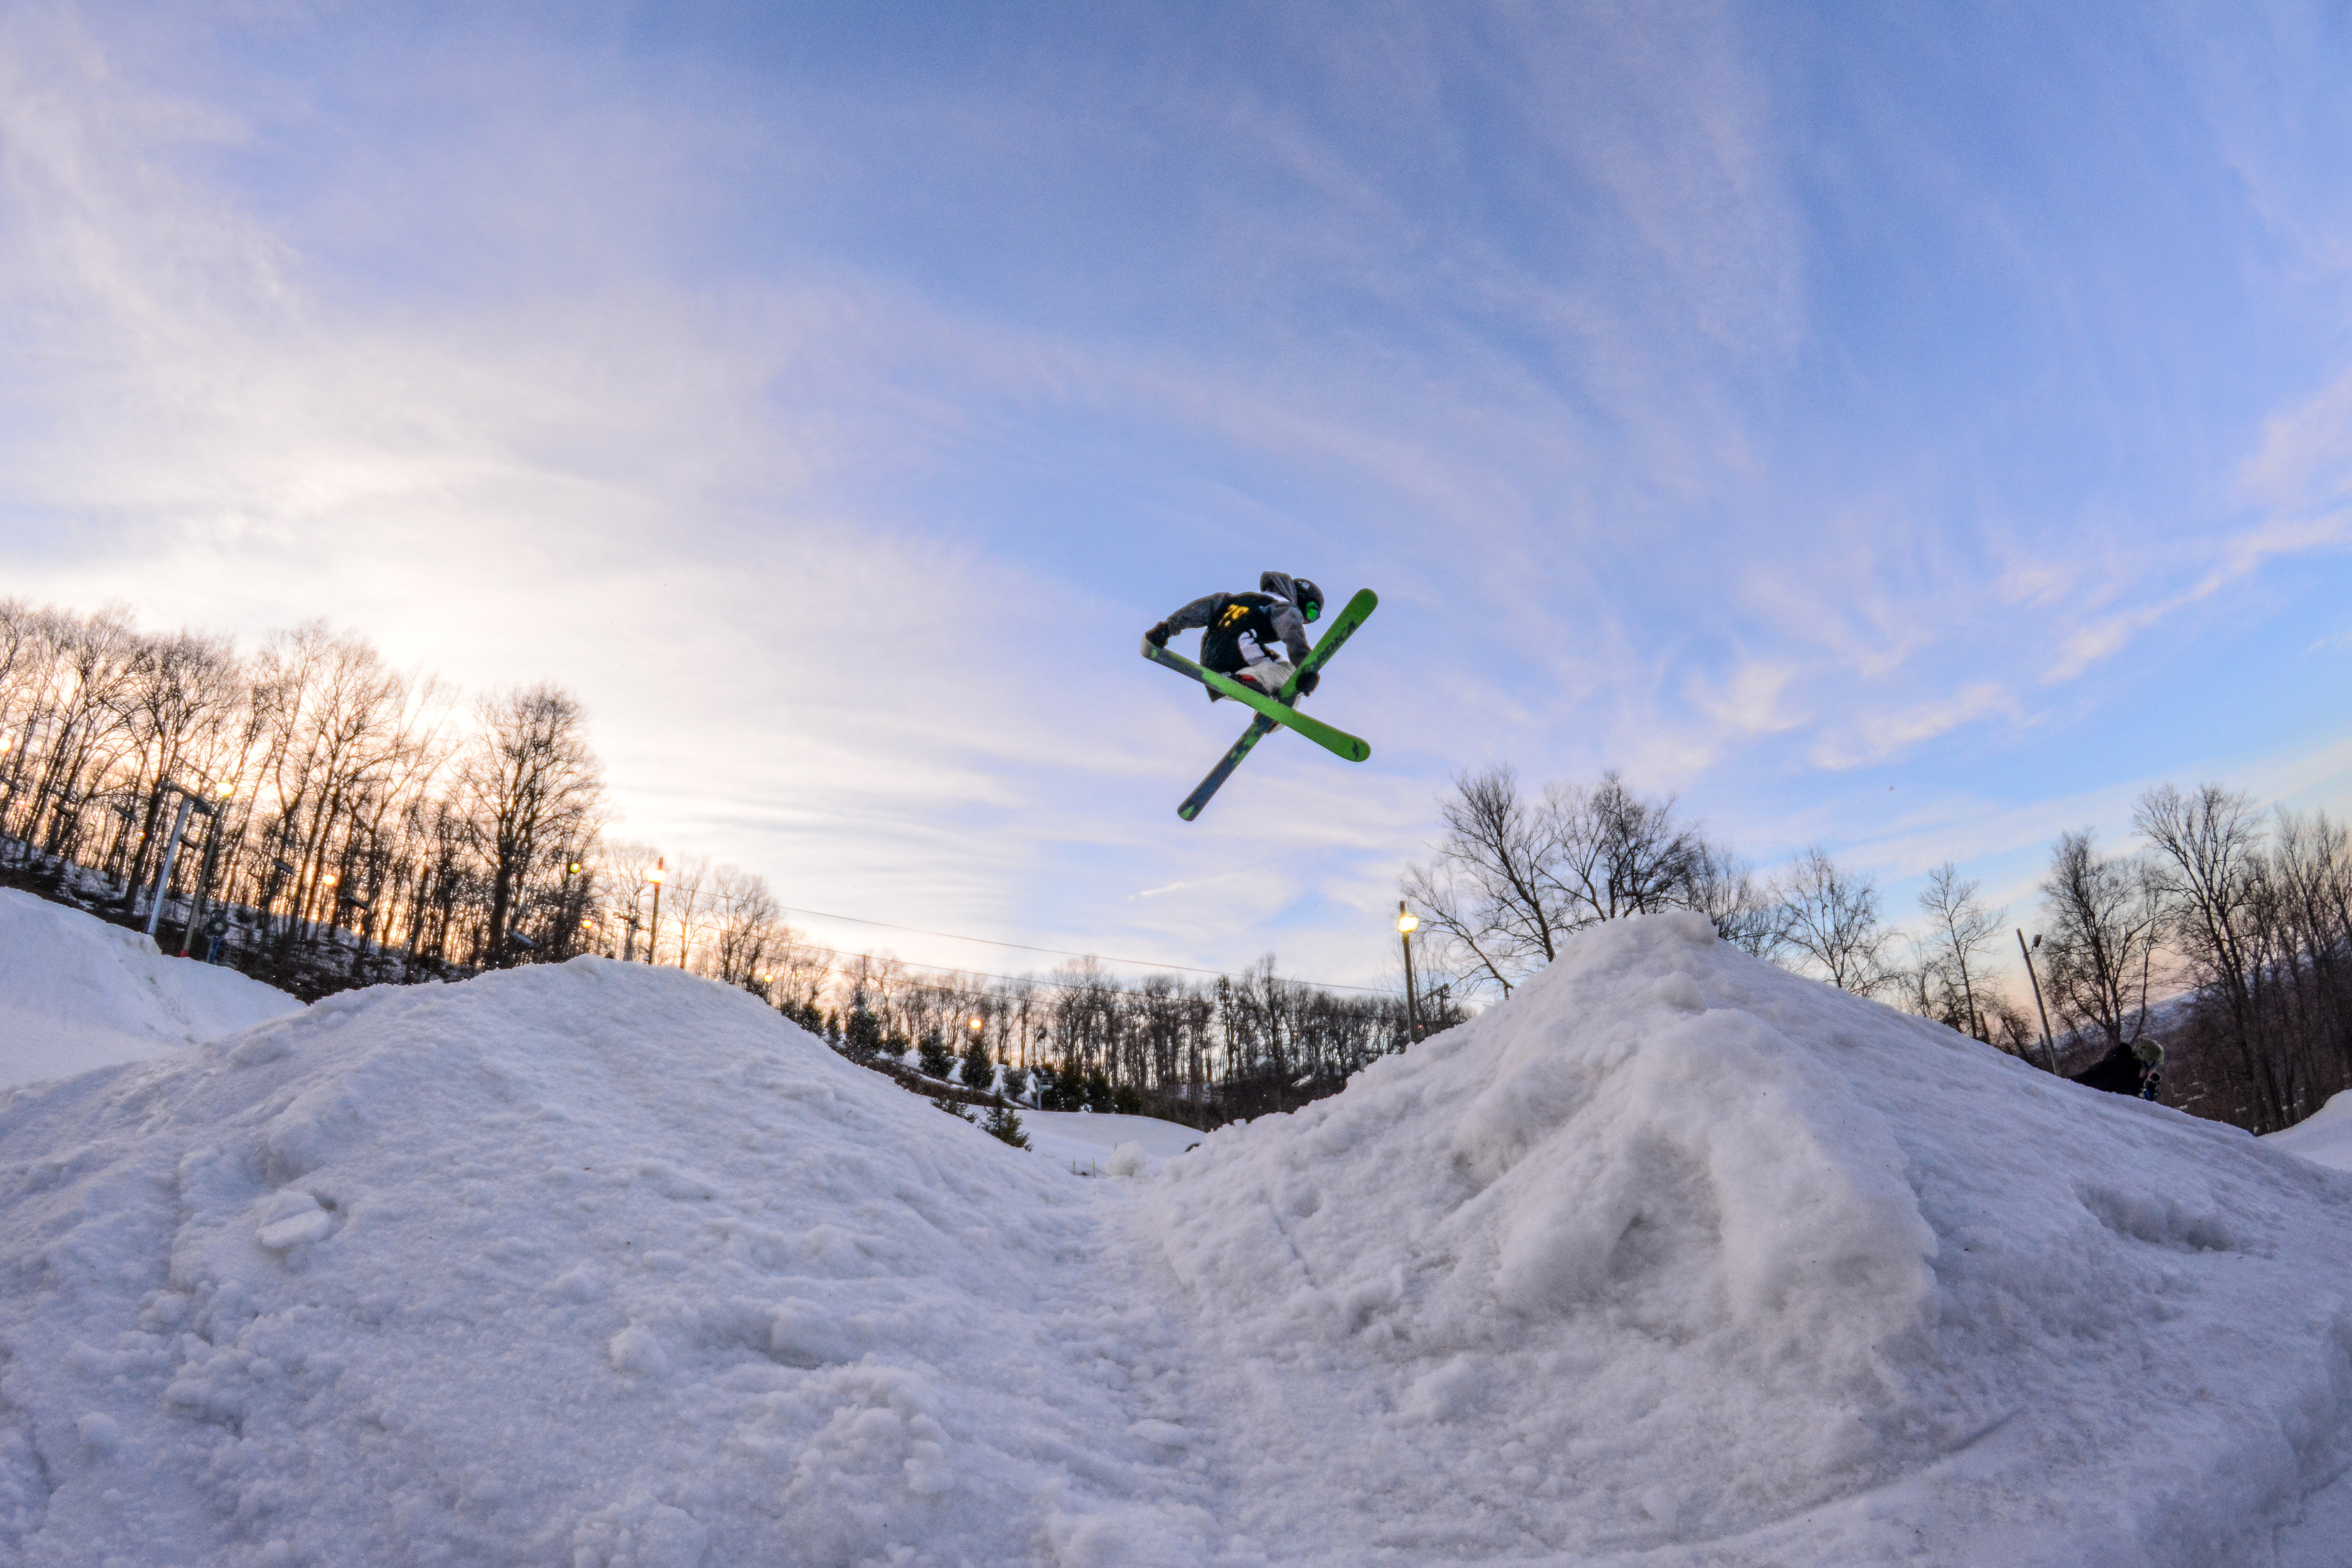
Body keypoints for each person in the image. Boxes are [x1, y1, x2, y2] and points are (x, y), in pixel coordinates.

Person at [1145, 572, 1325, 702]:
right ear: (1300, 597)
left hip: (1213, 669)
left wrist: (1167, 628)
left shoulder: (1235, 599)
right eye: (1311, 612)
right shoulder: (1284, 608)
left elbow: (1200, 609)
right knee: (1293, 680)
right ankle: (1249, 681)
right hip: (1241, 664)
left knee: (1278, 670)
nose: (1307, 621)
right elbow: (1292, 633)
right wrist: (1306, 669)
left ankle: (1266, 708)